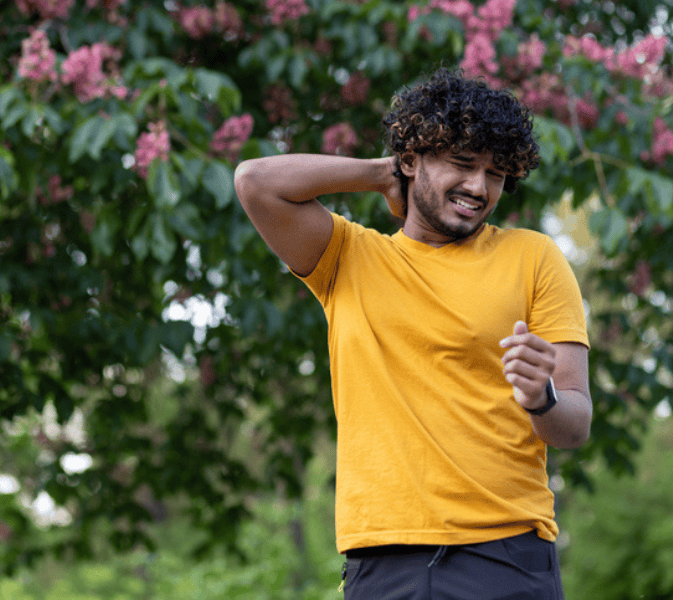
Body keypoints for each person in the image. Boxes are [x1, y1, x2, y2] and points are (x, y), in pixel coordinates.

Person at [234, 67, 591, 600]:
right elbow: (255, 182)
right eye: (462, 164)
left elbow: (575, 424)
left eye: (495, 173)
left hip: (504, 557)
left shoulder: (533, 257)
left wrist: (542, 397)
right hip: (382, 563)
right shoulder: (347, 259)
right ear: (411, 160)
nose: (478, 187)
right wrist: (380, 174)